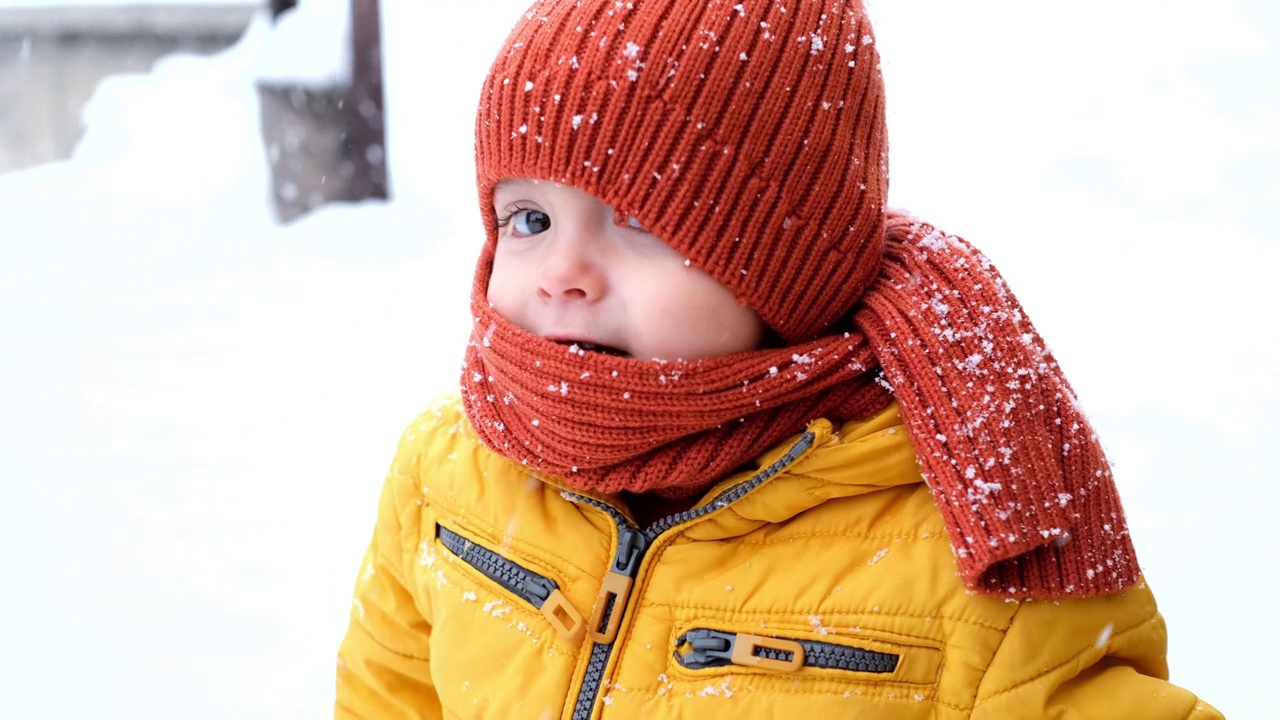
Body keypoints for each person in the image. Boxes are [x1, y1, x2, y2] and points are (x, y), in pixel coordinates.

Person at [335, 0, 1222, 717]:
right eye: (529, 219)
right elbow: (389, 696)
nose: (562, 273)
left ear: (786, 267)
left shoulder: (969, 553)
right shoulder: (447, 470)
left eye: (643, 222)